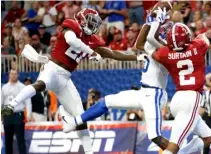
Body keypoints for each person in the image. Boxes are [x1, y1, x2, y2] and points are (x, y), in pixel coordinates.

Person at [2, 8, 146, 154]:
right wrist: (91, 52)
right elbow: (72, 40)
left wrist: (135, 57)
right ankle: (12, 104)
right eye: (90, 21)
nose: (93, 25)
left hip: (65, 78)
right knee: (41, 85)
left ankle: (89, 151)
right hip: (52, 68)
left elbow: (112, 53)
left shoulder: (93, 40)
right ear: (82, 19)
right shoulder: (72, 27)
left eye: (94, 23)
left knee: (80, 116)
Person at [58, 3, 183, 151]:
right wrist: (153, 20)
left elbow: (147, 39)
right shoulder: (159, 46)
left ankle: (181, 151)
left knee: (154, 136)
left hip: (155, 95)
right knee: (107, 102)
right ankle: (74, 122)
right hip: (145, 93)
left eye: (166, 32)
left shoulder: (167, 51)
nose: (163, 32)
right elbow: (141, 43)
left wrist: (154, 20)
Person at [151, 23, 211, 154]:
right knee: (173, 147)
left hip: (177, 99)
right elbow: (204, 38)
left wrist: (165, 42)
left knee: (208, 137)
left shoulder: (165, 53)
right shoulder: (198, 46)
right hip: (191, 99)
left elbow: (154, 54)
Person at [1, 69, 32, 154]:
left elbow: (28, 102)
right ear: (9, 75)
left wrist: (29, 115)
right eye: (12, 74)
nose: (13, 75)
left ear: (18, 75)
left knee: (20, 140)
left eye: (15, 74)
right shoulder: (4, 87)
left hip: (18, 115)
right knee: (8, 140)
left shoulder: (22, 87)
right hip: (7, 116)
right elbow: (1, 102)